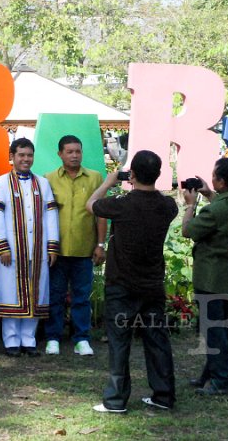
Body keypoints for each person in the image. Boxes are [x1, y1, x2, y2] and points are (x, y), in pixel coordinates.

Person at [86, 150, 178, 413]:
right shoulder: (167, 206)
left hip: (122, 285)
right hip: (152, 285)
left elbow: (91, 205)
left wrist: (108, 182)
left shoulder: (121, 203)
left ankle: (116, 400)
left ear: (132, 174)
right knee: (157, 340)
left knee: (119, 342)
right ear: (159, 175)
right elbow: (168, 204)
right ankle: (164, 395)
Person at [182, 157, 228, 397]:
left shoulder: (212, 211)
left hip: (211, 278)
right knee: (218, 328)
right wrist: (211, 193)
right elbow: (226, 210)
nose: (210, 179)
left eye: (214, 176)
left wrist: (190, 205)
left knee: (214, 332)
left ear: (222, 182)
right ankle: (211, 374)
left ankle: (223, 382)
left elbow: (188, 231)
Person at [0, 137, 59, 357]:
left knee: (36, 292)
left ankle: (29, 340)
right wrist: (2, 246)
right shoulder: (0, 183)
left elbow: (51, 215)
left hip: (37, 247)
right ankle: (11, 341)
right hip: (12, 248)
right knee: (11, 293)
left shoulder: (43, 183)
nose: (26, 159)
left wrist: (52, 245)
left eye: (29, 155)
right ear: (12, 157)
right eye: (21, 155)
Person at [44, 135, 107, 357]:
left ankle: (82, 338)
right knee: (55, 295)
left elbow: (101, 214)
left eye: (78, 151)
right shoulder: (49, 179)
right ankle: (53, 337)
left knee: (81, 297)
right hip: (56, 252)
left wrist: (100, 244)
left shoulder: (95, 178)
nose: (74, 155)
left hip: (84, 250)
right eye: (69, 151)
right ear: (60, 154)